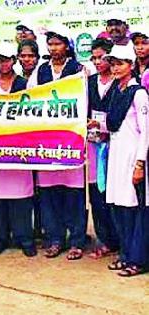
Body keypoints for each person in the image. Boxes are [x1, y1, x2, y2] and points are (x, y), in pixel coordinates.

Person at [28, 26, 87, 260]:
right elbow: (30, 99)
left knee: (73, 194)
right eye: (50, 44)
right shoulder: (40, 71)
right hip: (47, 143)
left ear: (67, 46)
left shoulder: (79, 70)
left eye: (58, 44)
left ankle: (76, 241)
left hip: (70, 142)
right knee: (49, 194)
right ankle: (54, 239)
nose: (53, 48)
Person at [0, 42, 36, 257]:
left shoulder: (25, 84)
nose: (3, 63)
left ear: (14, 60)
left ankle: (25, 238)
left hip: (19, 148)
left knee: (21, 197)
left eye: (7, 59)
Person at [104, 46, 149, 277]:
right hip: (116, 156)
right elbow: (114, 125)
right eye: (112, 64)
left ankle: (137, 259)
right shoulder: (116, 91)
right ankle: (125, 254)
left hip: (132, 157)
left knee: (134, 209)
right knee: (118, 207)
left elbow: (145, 131)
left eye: (120, 63)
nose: (115, 68)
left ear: (130, 65)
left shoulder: (138, 93)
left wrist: (140, 163)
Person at [86, 39, 119, 259]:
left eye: (102, 57)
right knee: (96, 194)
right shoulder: (87, 82)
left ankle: (120, 240)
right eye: (94, 58)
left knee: (115, 195)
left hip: (116, 143)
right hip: (92, 144)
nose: (98, 62)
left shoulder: (121, 83)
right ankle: (104, 240)